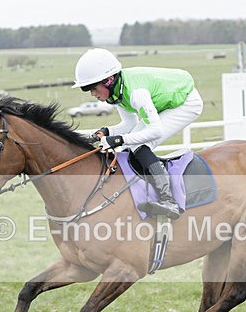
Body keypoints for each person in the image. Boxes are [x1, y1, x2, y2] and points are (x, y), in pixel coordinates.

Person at [72, 48, 203, 219]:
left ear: (109, 80)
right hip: (167, 103)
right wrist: (105, 133)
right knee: (130, 144)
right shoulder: (117, 92)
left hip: (186, 103)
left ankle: (169, 200)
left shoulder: (136, 93)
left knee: (139, 144)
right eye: (87, 89)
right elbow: (129, 123)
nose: (92, 94)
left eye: (93, 88)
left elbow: (155, 131)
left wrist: (117, 139)